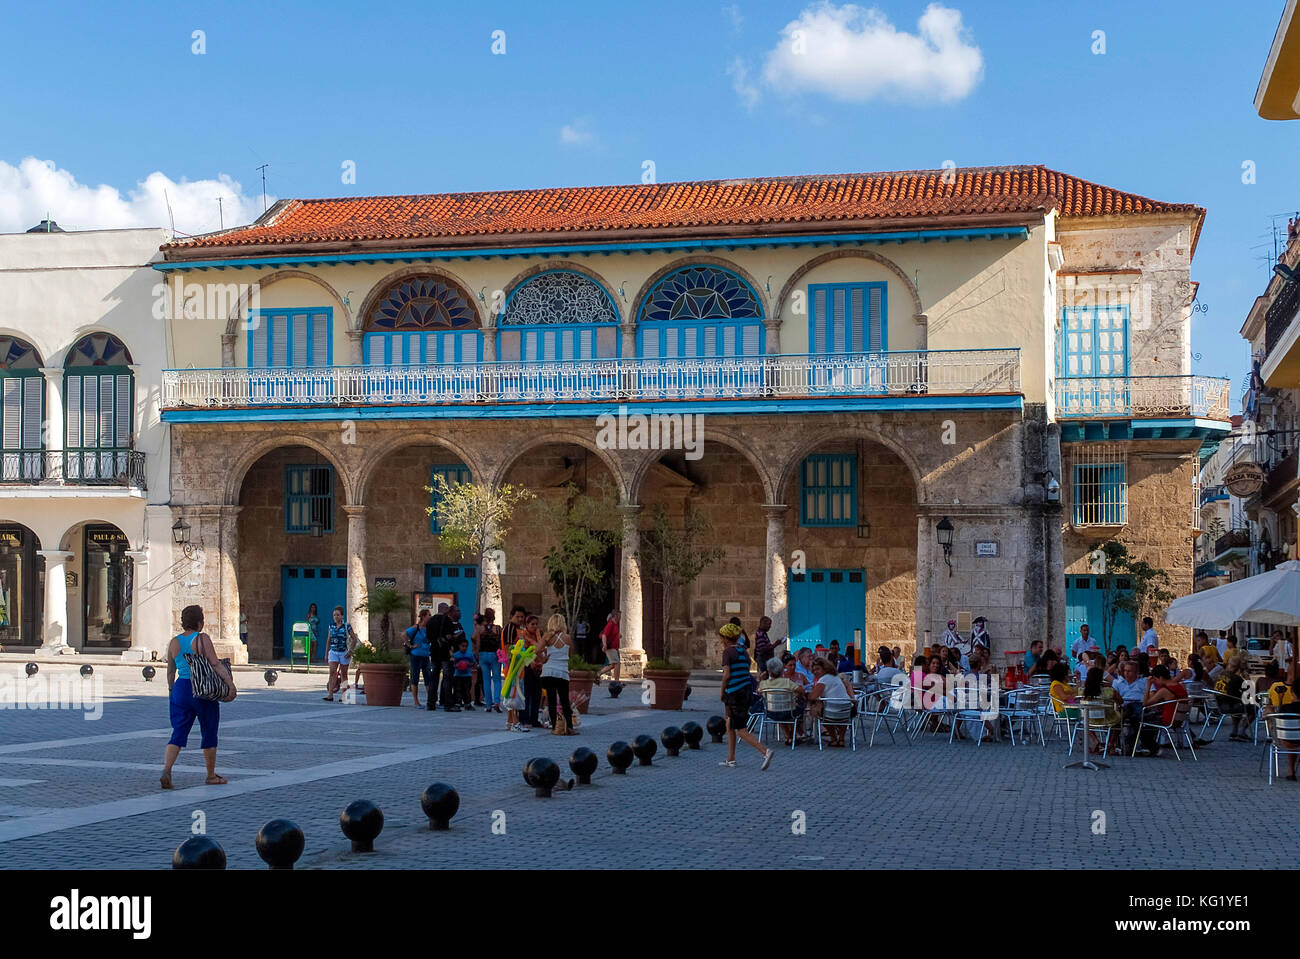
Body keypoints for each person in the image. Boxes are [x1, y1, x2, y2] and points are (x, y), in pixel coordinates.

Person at [161, 605, 234, 789]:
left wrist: (171, 691)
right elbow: (215, 664)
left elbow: (171, 672)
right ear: (200, 622)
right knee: (209, 730)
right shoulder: (202, 639)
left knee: (178, 732)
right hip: (202, 689)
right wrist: (229, 684)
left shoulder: (174, 642)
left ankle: (167, 770)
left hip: (181, 689)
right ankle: (210, 775)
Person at [718, 624, 774, 769]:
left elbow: (726, 675)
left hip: (734, 694)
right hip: (746, 691)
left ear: (725, 638)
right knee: (729, 724)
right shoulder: (743, 651)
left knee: (741, 730)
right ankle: (731, 759)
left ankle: (765, 751)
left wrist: (722, 691)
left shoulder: (727, 652)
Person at [1134, 665, 1186, 757]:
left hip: (1168, 720)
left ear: (1160, 678)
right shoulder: (1180, 686)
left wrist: (1148, 685)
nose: (1156, 682)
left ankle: (1149, 746)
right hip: (1179, 720)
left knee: (1136, 720)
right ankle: (1149, 745)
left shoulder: (1164, 691)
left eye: (1155, 679)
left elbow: (1145, 703)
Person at [539, 612, 576, 735]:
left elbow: (537, 650)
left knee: (551, 700)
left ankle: (555, 726)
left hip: (548, 671)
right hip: (562, 672)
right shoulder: (567, 638)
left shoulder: (547, 637)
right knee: (564, 700)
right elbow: (571, 655)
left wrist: (542, 659)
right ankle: (569, 727)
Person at [757, 657, 805, 745]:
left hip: (771, 713)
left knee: (780, 710)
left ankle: (790, 737)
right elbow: (801, 691)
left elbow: (757, 691)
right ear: (782, 669)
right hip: (788, 712)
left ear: (768, 670)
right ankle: (793, 735)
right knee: (801, 709)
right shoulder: (787, 682)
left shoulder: (764, 683)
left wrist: (761, 679)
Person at [807, 657, 854, 746]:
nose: (815, 672)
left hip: (831, 713)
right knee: (841, 715)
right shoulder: (836, 678)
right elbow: (847, 685)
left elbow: (813, 697)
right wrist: (852, 697)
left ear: (825, 668)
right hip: (847, 711)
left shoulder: (823, 680)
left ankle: (833, 738)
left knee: (817, 711)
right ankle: (841, 739)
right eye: (813, 670)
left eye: (817, 669)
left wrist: (805, 694)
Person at [1082, 666, 1122, 755]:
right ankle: (1111, 744)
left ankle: (1095, 740)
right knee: (1118, 721)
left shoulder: (1083, 692)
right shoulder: (1109, 691)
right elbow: (1120, 701)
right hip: (1107, 719)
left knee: (1084, 720)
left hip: (1089, 720)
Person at [1111, 659, 1149, 754]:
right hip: (1123, 706)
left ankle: (1111, 743)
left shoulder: (1143, 682)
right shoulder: (1118, 683)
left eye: (1129, 671)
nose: (1126, 673)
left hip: (1139, 706)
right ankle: (1125, 744)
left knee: (1129, 711)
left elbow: (1151, 695)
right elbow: (1114, 698)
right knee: (1127, 712)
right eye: (1125, 671)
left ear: (1136, 672)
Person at [323, 605, 358, 701]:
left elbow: (354, 639)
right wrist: (326, 653)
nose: (336, 617)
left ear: (342, 616)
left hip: (344, 652)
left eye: (338, 615)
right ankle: (330, 695)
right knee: (332, 672)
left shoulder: (347, 626)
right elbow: (329, 640)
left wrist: (350, 651)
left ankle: (344, 696)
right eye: (334, 615)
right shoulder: (331, 626)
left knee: (344, 674)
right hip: (333, 652)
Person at [476, 607, 504, 713]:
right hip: (495, 655)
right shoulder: (497, 628)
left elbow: (478, 643)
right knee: (497, 679)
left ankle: (488, 704)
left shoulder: (480, 629)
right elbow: (501, 643)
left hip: (483, 654)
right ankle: (497, 702)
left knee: (486, 680)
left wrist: (477, 655)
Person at [426, 603, 453, 711]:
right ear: (445, 609)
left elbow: (428, 637)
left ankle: (431, 703)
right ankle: (447, 703)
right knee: (447, 678)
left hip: (434, 652)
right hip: (444, 652)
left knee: (434, 678)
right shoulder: (447, 620)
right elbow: (449, 636)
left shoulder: (431, 621)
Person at [405, 608, 434, 710]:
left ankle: (431, 700)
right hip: (416, 655)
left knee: (428, 677)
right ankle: (416, 701)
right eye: (428, 615)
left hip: (426, 655)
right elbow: (404, 634)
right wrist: (410, 645)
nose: (430, 616)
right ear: (423, 617)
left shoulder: (429, 628)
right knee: (415, 677)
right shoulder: (416, 628)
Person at [521, 613, 544, 728]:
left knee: (537, 694)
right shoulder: (523, 636)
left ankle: (534, 719)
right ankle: (525, 719)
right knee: (527, 694)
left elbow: (542, 648)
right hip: (527, 666)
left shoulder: (538, 635)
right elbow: (523, 652)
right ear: (526, 625)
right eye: (532, 624)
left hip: (539, 666)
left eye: (536, 624)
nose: (534, 626)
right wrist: (531, 662)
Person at [452, 637, 476, 709]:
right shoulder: (456, 655)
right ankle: (457, 703)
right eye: (463, 646)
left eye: (466, 646)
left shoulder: (469, 654)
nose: (464, 648)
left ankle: (467, 703)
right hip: (458, 675)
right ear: (459, 646)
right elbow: (453, 664)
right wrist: (457, 665)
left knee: (467, 690)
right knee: (457, 689)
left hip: (467, 675)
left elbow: (474, 663)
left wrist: (468, 665)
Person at [597, 611, 621, 681]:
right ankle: (617, 681)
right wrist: (604, 645)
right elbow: (604, 635)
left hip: (614, 648)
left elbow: (613, 635)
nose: (620, 618)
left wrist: (618, 636)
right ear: (615, 616)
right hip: (611, 647)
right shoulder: (610, 624)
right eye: (619, 616)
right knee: (617, 663)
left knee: (613, 665)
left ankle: (597, 674)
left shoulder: (615, 625)